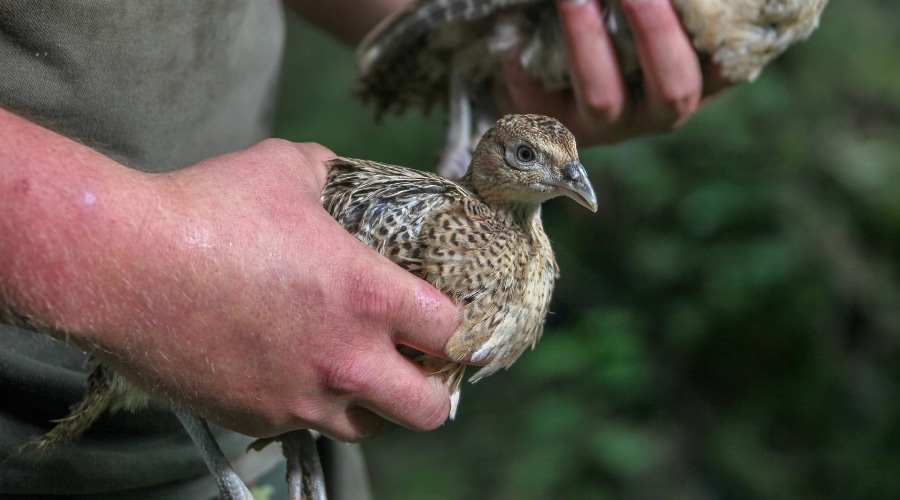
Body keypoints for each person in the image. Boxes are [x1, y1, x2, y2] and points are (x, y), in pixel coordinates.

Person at [0, 0, 726, 497]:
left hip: (273, 416)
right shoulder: (443, 236)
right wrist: (138, 261)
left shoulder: (507, 247)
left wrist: (512, 28)